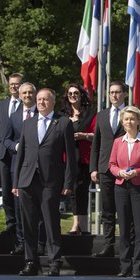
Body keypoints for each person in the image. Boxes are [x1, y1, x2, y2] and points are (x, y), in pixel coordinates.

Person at [13, 88, 76, 277]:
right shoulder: (28, 123)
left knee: (51, 223)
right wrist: (16, 182)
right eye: (39, 99)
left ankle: (54, 262)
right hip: (27, 180)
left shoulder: (63, 123)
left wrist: (68, 183)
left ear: (53, 102)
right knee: (29, 224)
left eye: (45, 99)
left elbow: (70, 157)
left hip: (51, 181)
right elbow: (21, 154)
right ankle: (30, 262)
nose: (40, 102)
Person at [109, 106, 140, 277]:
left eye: (132, 119)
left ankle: (138, 267)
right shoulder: (117, 142)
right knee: (123, 228)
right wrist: (119, 172)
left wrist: (137, 171)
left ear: (138, 121)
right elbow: (112, 164)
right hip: (121, 186)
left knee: (139, 228)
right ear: (122, 122)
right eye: (126, 119)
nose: (129, 122)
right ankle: (125, 266)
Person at [4, 82, 42, 255]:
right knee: (20, 208)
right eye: (24, 93)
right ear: (19, 95)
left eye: (30, 92)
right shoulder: (14, 116)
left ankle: (40, 243)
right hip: (19, 168)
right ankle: (22, 243)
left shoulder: (42, 114)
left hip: (39, 168)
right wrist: (17, 146)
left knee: (39, 208)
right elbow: (6, 140)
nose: (27, 95)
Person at [89, 81, 127, 257]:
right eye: (111, 92)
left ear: (124, 94)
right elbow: (96, 144)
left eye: (118, 92)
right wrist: (93, 168)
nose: (114, 95)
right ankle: (108, 246)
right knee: (107, 210)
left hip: (125, 169)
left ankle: (127, 245)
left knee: (125, 209)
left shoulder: (132, 114)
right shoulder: (102, 115)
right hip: (104, 169)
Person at [61, 84, 96, 235]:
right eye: (70, 93)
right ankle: (76, 224)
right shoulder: (62, 114)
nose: (73, 95)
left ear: (81, 95)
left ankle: (82, 224)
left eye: (76, 93)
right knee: (72, 191)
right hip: (67, 158)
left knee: (82, 190)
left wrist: (84, 136)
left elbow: (98, 134)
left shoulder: (91, 113)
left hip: (84, 158)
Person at [0, 73, 23, 236]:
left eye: (17, 84)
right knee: (5, 191)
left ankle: (20, 225)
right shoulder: (2, 105)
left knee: (17, 190)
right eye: (11, 84)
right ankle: (10, 223)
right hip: (4, 154)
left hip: (19, 154)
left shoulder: (26, 105)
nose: (13, 87)